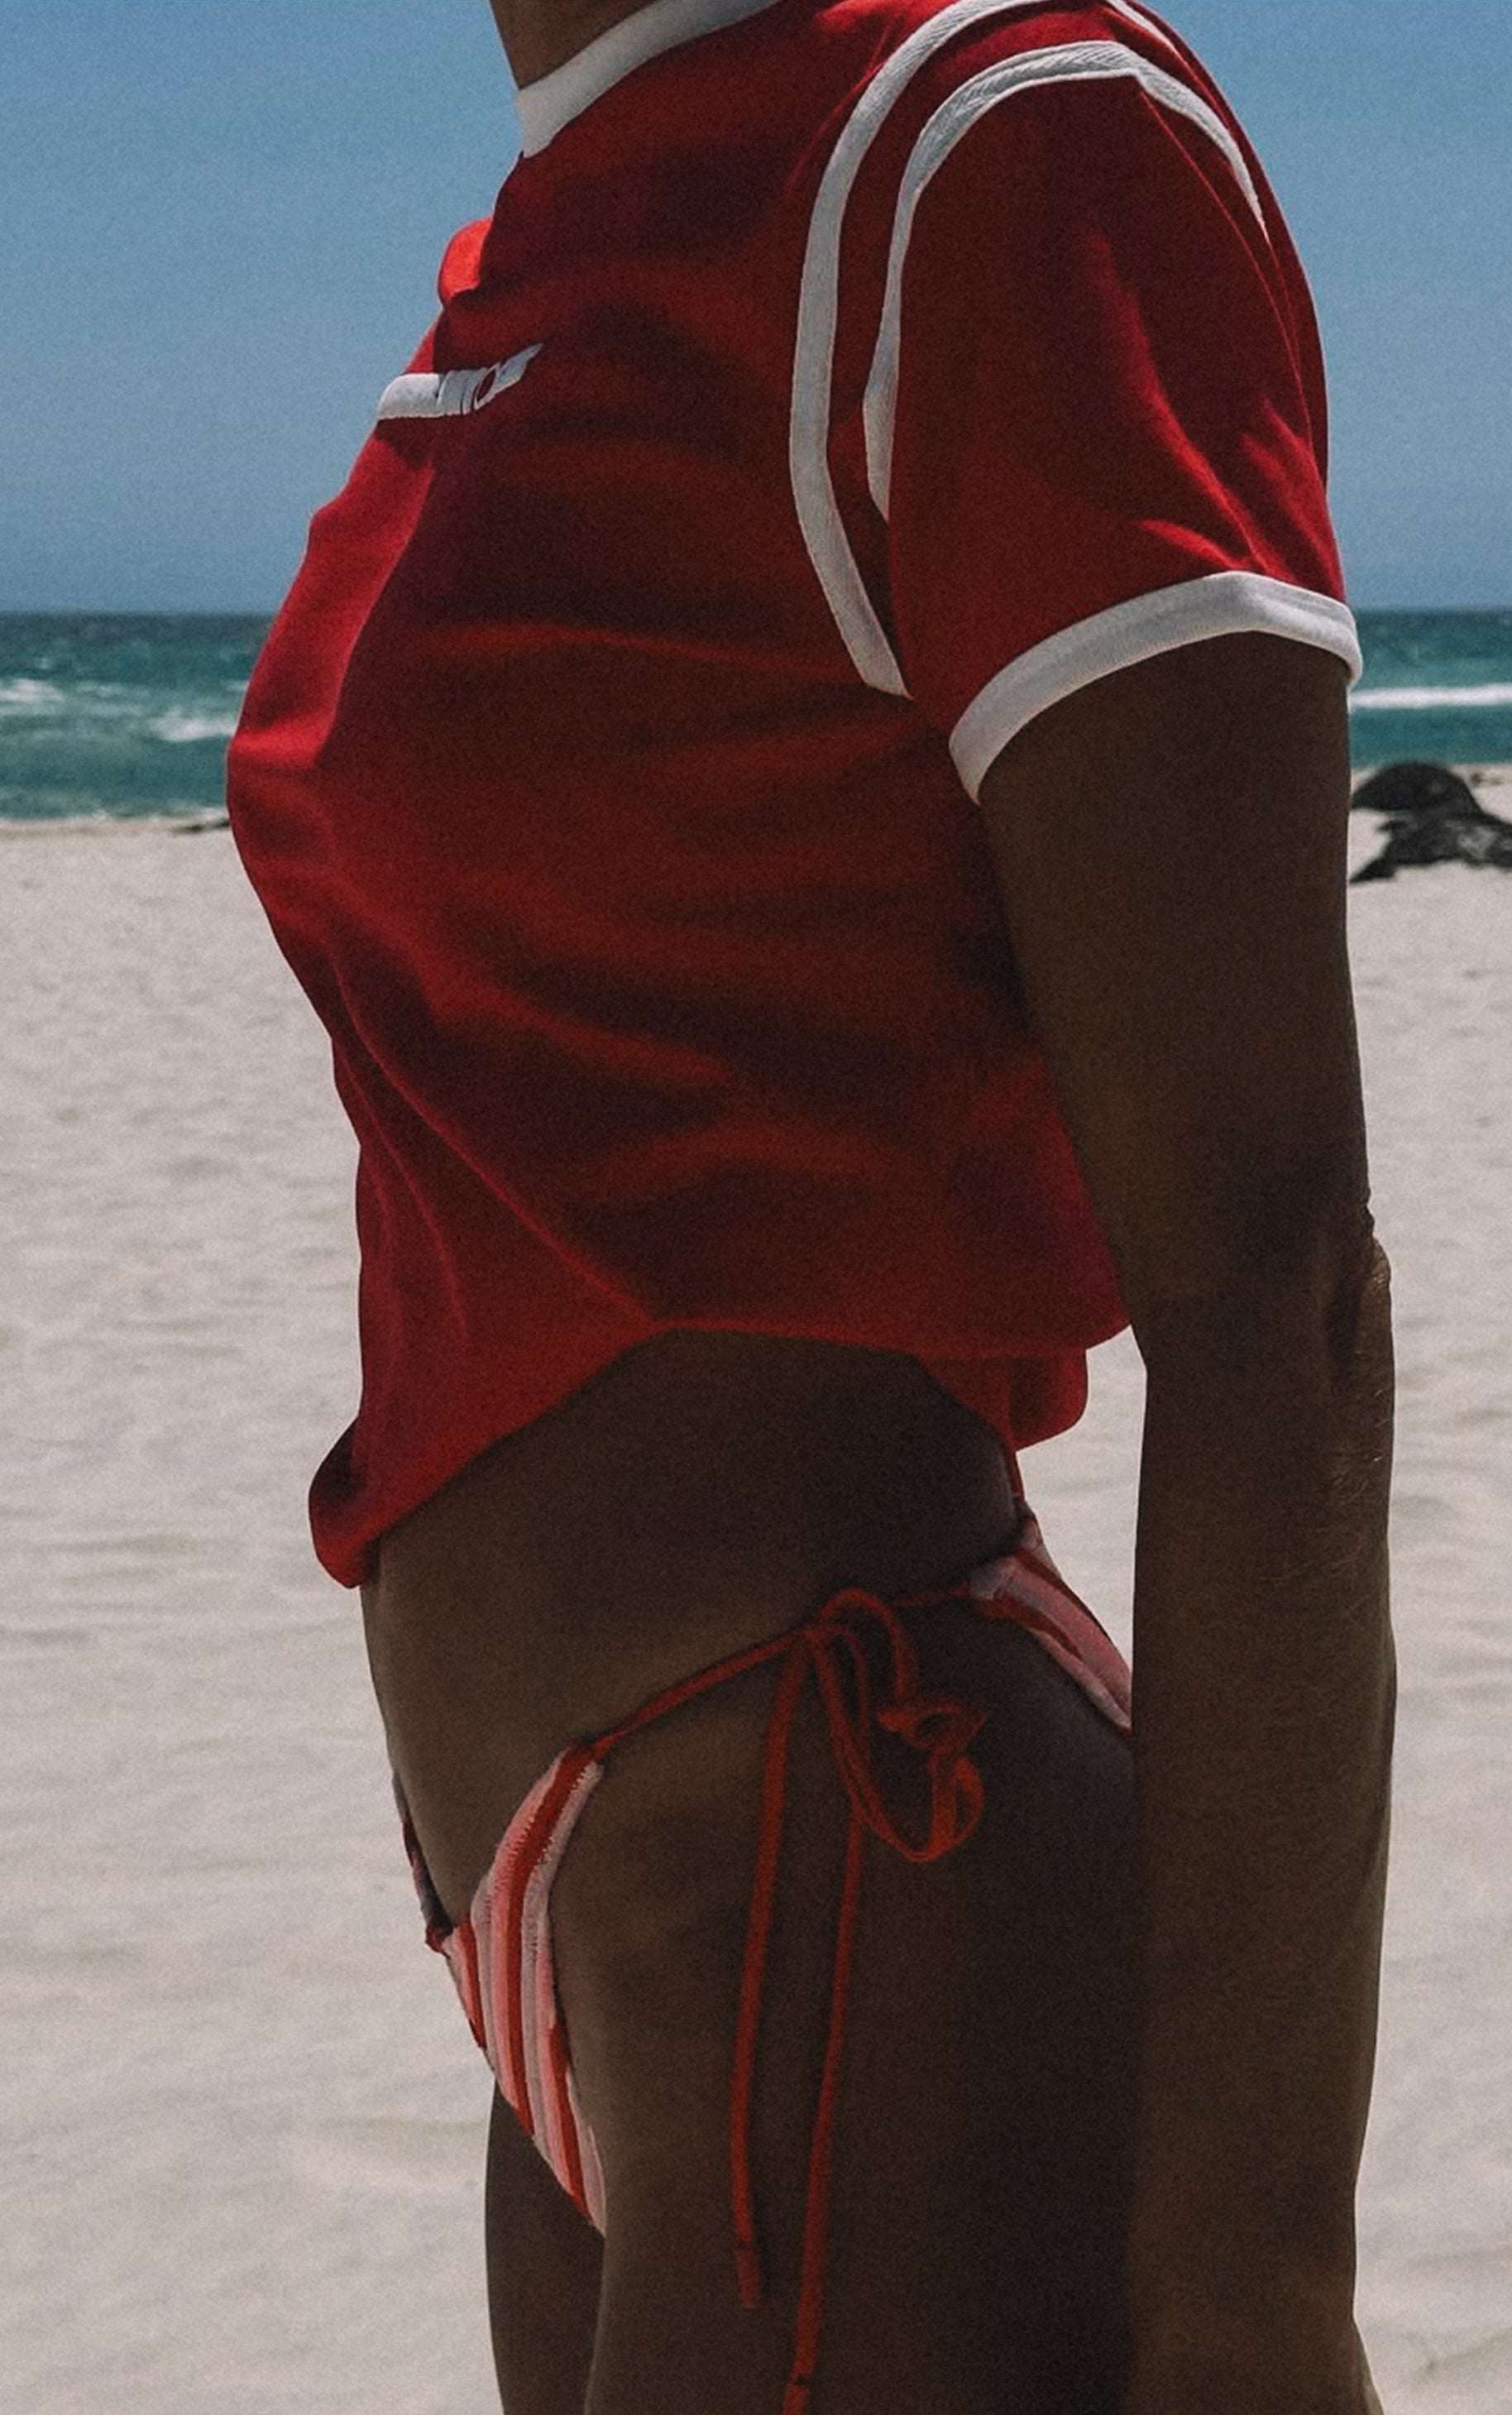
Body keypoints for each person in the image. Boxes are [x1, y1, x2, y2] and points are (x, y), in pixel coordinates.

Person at [227, 0, 1395, 2408]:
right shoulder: (554, 218)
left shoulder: (995, 138)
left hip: (857, 1865)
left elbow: (1275, 1281)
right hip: (580, 1951)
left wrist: (1258, 2270)